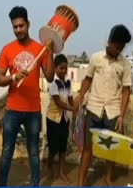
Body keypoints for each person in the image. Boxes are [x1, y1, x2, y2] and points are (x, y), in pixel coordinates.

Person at [0, 6, 55, 186]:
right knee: (6, 152)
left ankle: (35, 184)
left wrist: (50, 52)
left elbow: (51, 76)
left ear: (28, 24)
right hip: (12, 109)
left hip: (33, 110)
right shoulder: (7, 49)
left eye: (21, 26)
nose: (18, 30)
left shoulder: (40, 49)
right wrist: (14, 76)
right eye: (15, 27)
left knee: (34, 153)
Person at [76, 24, 132, 186]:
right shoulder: (96, 58)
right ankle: (80, 182)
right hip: (93, 108)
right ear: (108, 42)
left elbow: (126, 91)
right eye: (115, 47)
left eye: (120, 48)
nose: (117, 51)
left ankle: (108, 178)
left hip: (113, 112)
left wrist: (121, 116)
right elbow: (88, 79)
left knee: (111, 149)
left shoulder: (125, 64)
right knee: (88, 149)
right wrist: (80, 96)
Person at [46, 54, 74, 184]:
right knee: (53, 147)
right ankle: (50, 165)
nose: (63, 71)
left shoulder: (68, 83)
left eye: (65, 68)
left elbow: (70, 99)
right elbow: (58, 103)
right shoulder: (53, 83)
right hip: (53, 119)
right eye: (61, 68)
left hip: (64, 119)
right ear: (55, 68)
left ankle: (61, 171)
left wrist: (76, 107)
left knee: (63, 147)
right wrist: (73, 108)